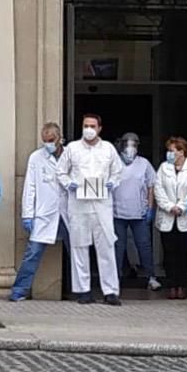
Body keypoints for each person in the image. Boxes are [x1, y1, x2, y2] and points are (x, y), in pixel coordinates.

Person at [56, 114, 123, 306]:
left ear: (100, 128)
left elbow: (117, 171)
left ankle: (110, 291)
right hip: (78, 204)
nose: (89, 129)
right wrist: (69, 185)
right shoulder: (72, 149)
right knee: (79, 246)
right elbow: (61, 171)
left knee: (106, 247)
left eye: (92, 126)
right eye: (85, 125)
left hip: (102, 204)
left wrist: (112, 183)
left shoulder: (108, 149)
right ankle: (83, 290)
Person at [10, 123, 69, 301]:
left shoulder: (71, 155)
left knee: (78, 252)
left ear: (60, 138)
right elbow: (30, 187)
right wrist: (28, 215)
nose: (48, 144)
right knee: (33, 253)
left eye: (51, 140)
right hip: (45, 214)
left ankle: (83, 290)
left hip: (69, 212)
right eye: (45, 141)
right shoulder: (36, 157)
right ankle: (19, 290)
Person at [154, 136, 187, 299]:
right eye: (168, 151)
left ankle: (181, 285)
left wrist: (181, 206)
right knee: (169, 253)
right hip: (167, 216)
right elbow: (158, 188)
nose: (169, 154)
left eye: (172, 151)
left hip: (185, 216)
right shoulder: (163, 168)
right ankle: (171, 285)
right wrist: (169, 206)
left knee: (183, 253)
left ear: (181, 152)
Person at [113, 132, 160, 291]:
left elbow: (151, 185)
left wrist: (150, 207)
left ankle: (150, 276)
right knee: (118, 247)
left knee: (144, 245)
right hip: (117, 212)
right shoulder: (114, 162)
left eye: (134, 145)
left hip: (139, 212)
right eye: (128, 144)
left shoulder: (144, 163)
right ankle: (115, 278)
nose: (130, 148)